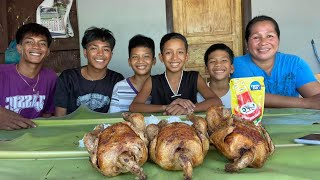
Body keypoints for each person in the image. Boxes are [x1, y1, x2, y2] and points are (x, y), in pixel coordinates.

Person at [232, 15, 320, 109]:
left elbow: (316, 98)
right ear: (246, 43)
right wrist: (305, 103)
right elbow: (252, 97)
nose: (263, 42)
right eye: (256, 37)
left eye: (270, 36)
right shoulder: (237, 64)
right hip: (253, 122)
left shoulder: (294, 63)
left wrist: (311, 102)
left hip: (293, 122)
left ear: (278, 40)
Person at [130, 32, 222, 115]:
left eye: (180, 52)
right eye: (168, 52)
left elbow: (216, 101)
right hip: (160, 128)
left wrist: (188, 109)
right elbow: (134, 106)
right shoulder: (153, 81)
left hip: (189, 128)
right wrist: (166, 107)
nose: (174, 57)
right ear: (161, 57)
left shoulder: (194, 77)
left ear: (186, 57)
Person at [54, 27, 124, 116]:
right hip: (73, 129)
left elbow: (119, 116)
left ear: (111, 55)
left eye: (105, 49)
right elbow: (60, 117)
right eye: (94, 48)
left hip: (105, 129)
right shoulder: (68, 78)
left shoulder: (117, 80)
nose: (100, 54)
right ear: (85, 52)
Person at [0, 23, 57, 130]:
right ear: (19, 48)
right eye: (29, 42)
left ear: (48, 52)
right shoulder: (2, 73)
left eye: (42, 43)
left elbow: (48, 114)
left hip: (34, 139)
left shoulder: (51, 77)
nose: (36, 47)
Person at [109, 34, 156, 113]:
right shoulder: (119, 87)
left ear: (154, 61)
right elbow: (113, 119)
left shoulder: (161, 85)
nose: (140, 61)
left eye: (146, 56)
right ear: (129, 62)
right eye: (135, 57)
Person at [197, 43, 234, 108]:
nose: (218, 64)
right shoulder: (198, 95)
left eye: (224, 60)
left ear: (231, 68)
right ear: (206, 69)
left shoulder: (239, 93)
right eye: (212, 61)